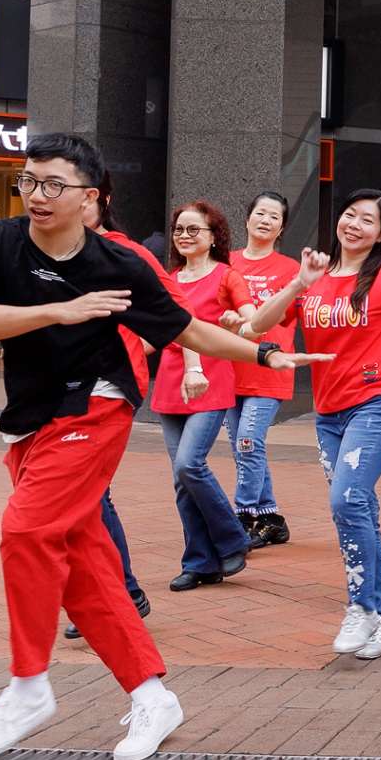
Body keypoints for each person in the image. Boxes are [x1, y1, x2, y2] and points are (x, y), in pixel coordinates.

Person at [0, 133, 325, 760]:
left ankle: (27, 687)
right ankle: (152, 695)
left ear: (90, 197)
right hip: (28, 420)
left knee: (27, 532)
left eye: (53, 185)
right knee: (84, 562)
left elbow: (191, 329)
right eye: (29, 181)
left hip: (96, 406)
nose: (37, 195)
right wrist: (61, 311)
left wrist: (264, 352)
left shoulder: (119, 262)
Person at [248, 189, 381, 661]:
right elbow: (256, 327)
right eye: (350, 215)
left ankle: (362, 605)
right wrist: (298, 283)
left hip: (380, 404)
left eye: (368, 221)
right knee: (359, 508)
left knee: (345, 499)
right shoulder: (315, 279)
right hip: (329, 415)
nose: (355, 225)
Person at [62, 174, 160, 641]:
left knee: (90, 494)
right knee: (82, 499)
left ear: (100, 199)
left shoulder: (127, 252)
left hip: (106, 390)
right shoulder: (43, 251)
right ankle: (116, 592)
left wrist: (131, 348)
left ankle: (119, 593)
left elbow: (176, 316)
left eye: (82, 197)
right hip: (55, 390)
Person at [153, 201, 253, 592]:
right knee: (182, 478)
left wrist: (239, 321)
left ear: (214, 236)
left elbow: (252, 316)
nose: (184, 236)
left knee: (189, 465)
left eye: (194, 229)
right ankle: (200, 562)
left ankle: (232, 539)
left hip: (211, 379)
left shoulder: (228, 276)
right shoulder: (169, 278)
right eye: (179, 229)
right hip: (170, 383)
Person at [220, 192, 299, 549]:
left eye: (275, 216)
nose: (266, 220)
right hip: (230, 369)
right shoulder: (226, 263)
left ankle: (244, 515)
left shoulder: (291, 270)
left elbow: (281, 316)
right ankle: (271, 518)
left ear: (282, 227)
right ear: (248, 218)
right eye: (260, 213)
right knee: (244, 449)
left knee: (249, 443)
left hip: (269, 369)